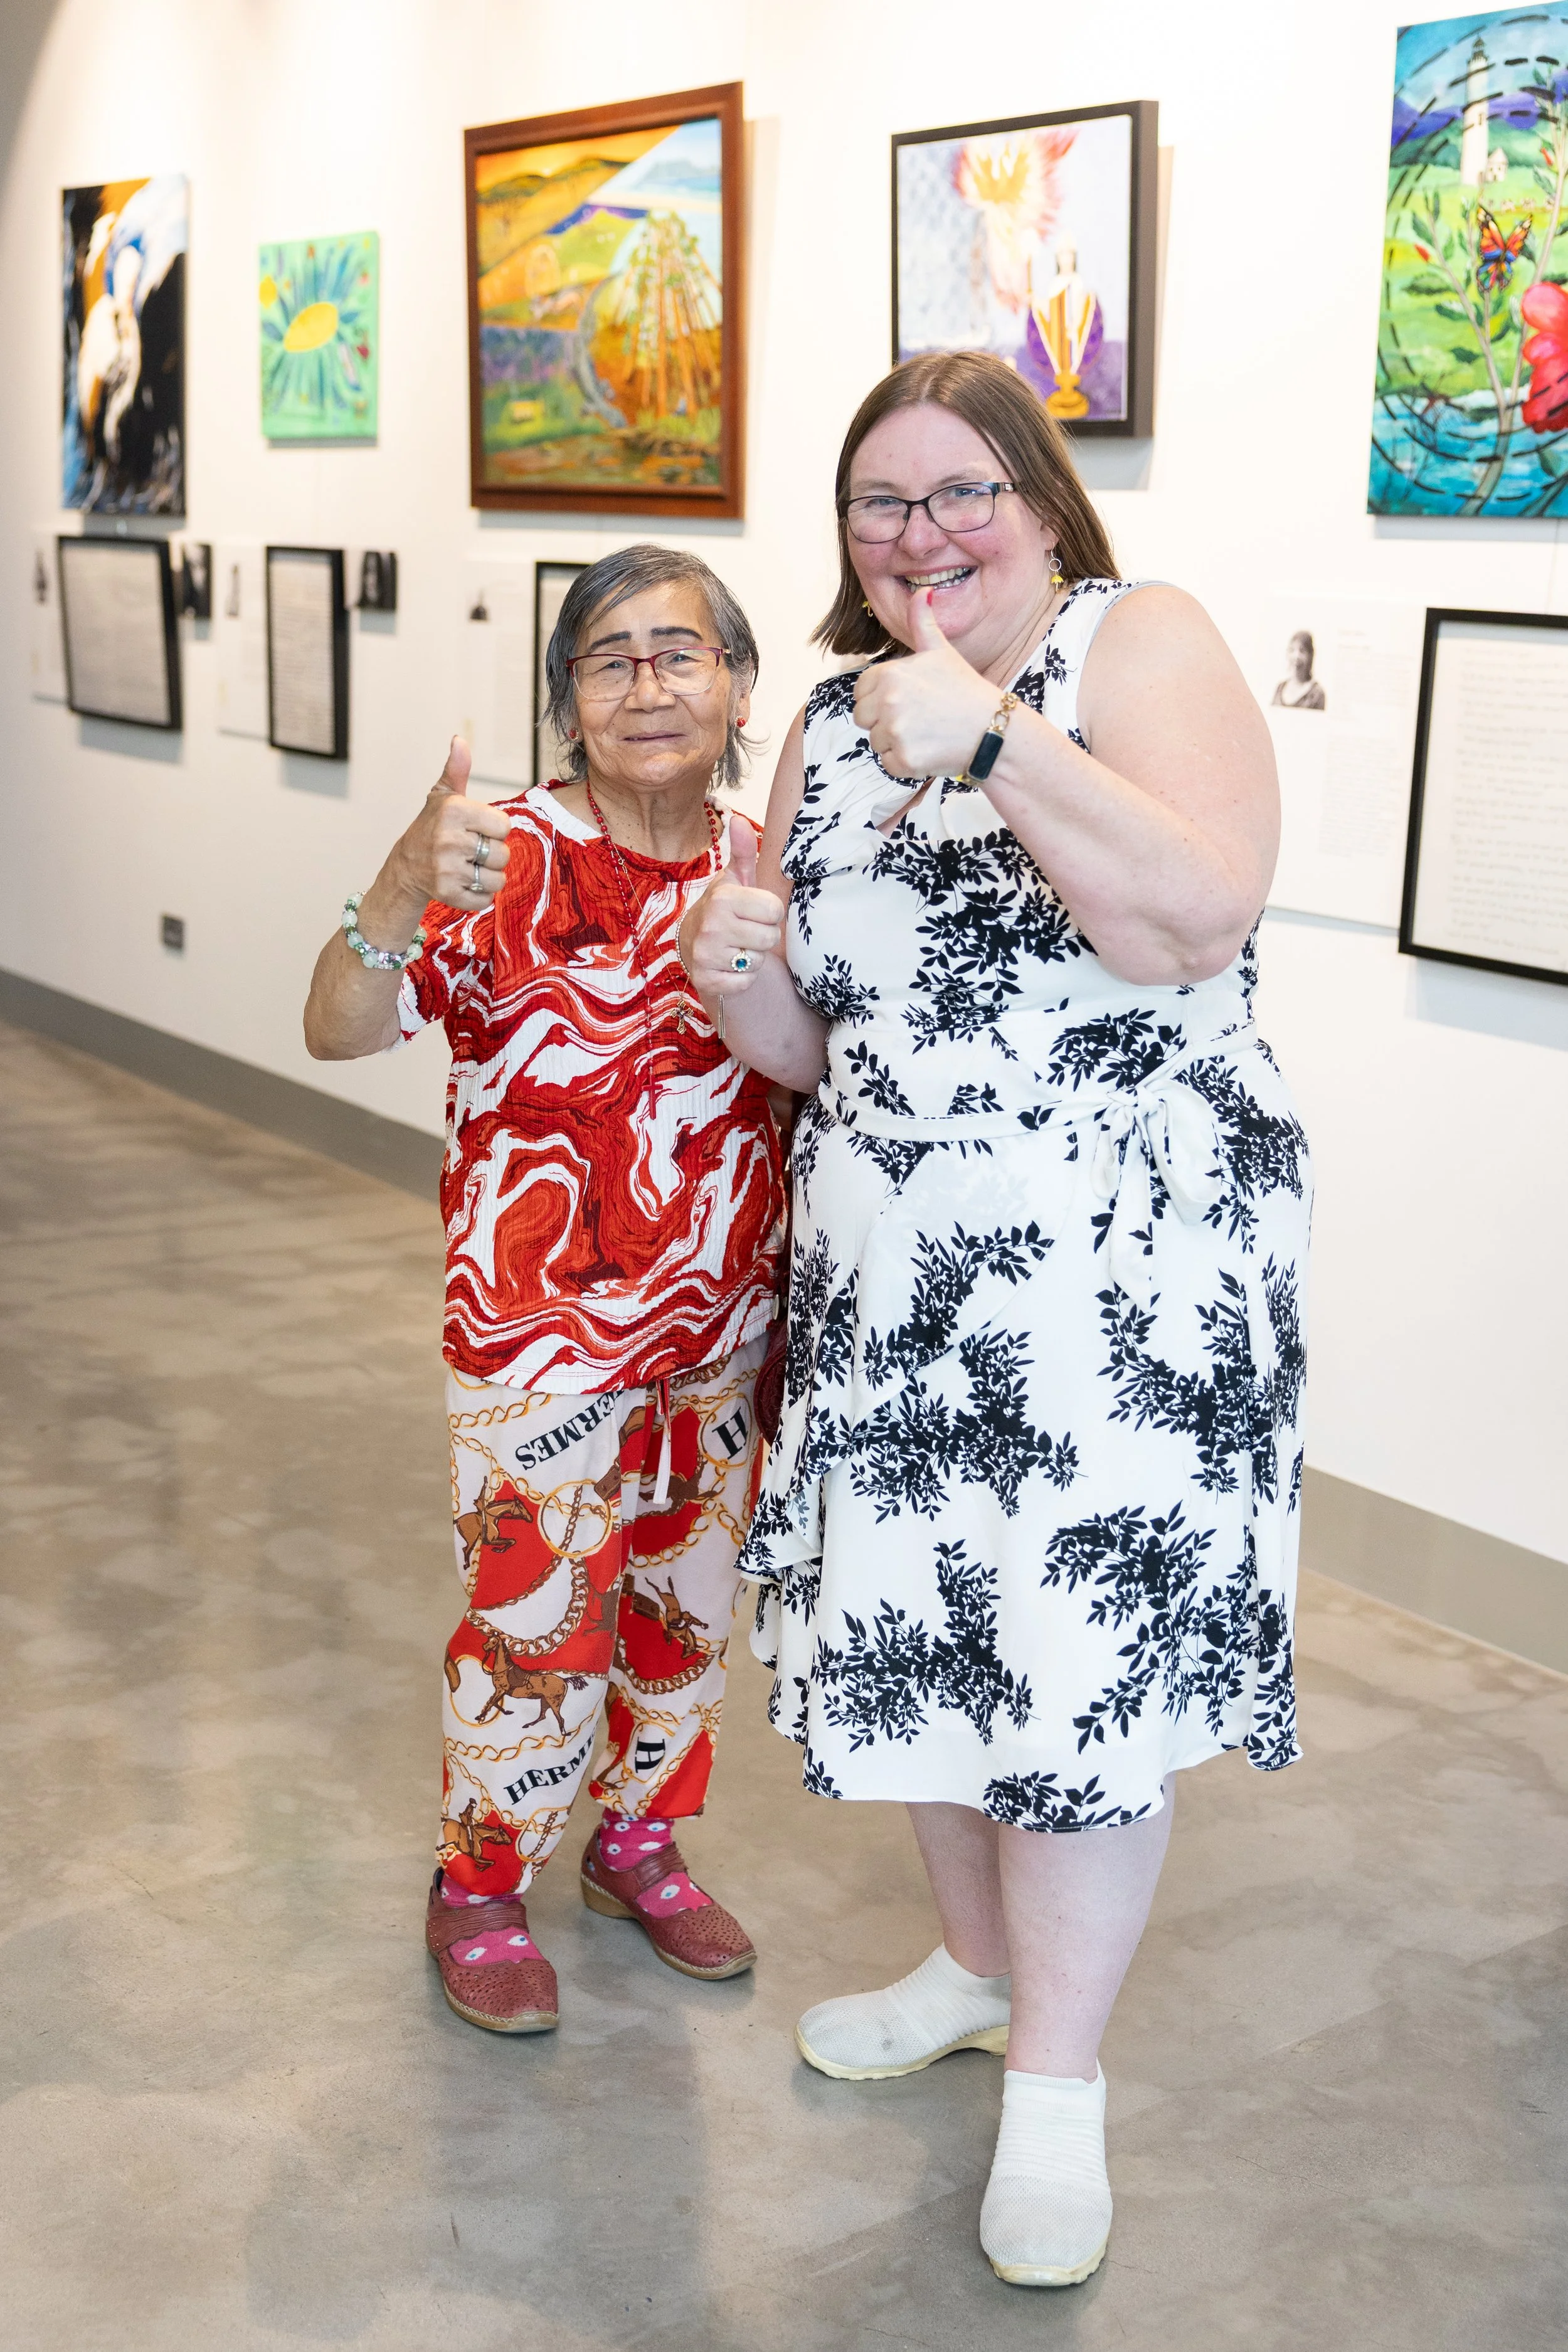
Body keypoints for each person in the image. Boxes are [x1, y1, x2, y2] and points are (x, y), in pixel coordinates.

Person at [679, 352, 1311, 2289]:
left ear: (1040, 500)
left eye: (962, 490)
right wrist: (732, 974)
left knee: (1072, 1665)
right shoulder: (824, 718)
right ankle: (971, 1966)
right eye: (879, 501)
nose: (921, 533)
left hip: (1116, 1271)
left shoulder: (1135, 643)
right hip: (893, 1266)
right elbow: (818, 1043)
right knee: (929, 1638)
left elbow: (1190, 921)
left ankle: (1054, 2083)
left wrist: (994, 740)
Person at [303, 544, 783, 2035]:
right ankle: (480, 1886)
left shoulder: (765, 861)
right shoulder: (501, 853)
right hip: (539, 1338)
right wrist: (397, 882)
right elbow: (334, 1026)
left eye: (679, 652)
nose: (647, 686)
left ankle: (636, 1846)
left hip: (720, 1330)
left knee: (683, 1620)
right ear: (567, 701)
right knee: (536, 1631)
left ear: (737, 685)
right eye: (608, 659)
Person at [1271, 628, 1326, 709]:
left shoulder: (1317, 694)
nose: (1296, 656)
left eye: (1302, 651)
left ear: (1310, 656)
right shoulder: (1280, 688)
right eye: (1292, 650)